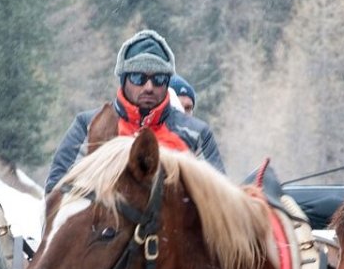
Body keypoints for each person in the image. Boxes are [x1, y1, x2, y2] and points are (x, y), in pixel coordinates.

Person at [44, 29, 223, 193]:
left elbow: (218, 201)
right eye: (139, 77)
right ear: (123, 79)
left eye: (159, 78)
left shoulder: (196, 133)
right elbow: (56, 193)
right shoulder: (88, 125)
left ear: (168, 82)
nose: (149, 87)